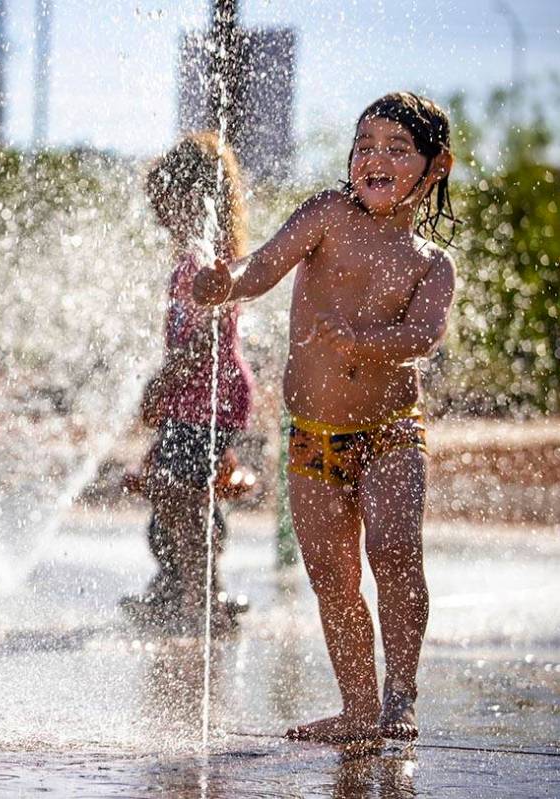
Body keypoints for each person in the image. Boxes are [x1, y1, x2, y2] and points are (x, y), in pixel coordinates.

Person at [193, 92, 456, 744]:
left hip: (392, 431)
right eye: (364, 144)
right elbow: (265, 265)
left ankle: (401, 694)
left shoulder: (431, 263)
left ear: (436, 166)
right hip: (312, 437)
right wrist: (227, 282)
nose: (375, 157)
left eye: (398, 148)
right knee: (332, 578)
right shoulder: (327, 215)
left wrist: (361, 340)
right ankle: (359, 706)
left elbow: (424, 336)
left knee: (394, 551)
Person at [120, 133, 255, 636]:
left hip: (207, 400)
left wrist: (160, 384)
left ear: (193, 198)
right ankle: (182, 587)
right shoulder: (194, 259)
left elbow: (206, 340)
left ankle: (202, 599)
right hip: (196, 401)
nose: (157, 217)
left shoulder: (206, 261)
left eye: (164, 203)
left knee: (182, 498)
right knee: (176, 497)